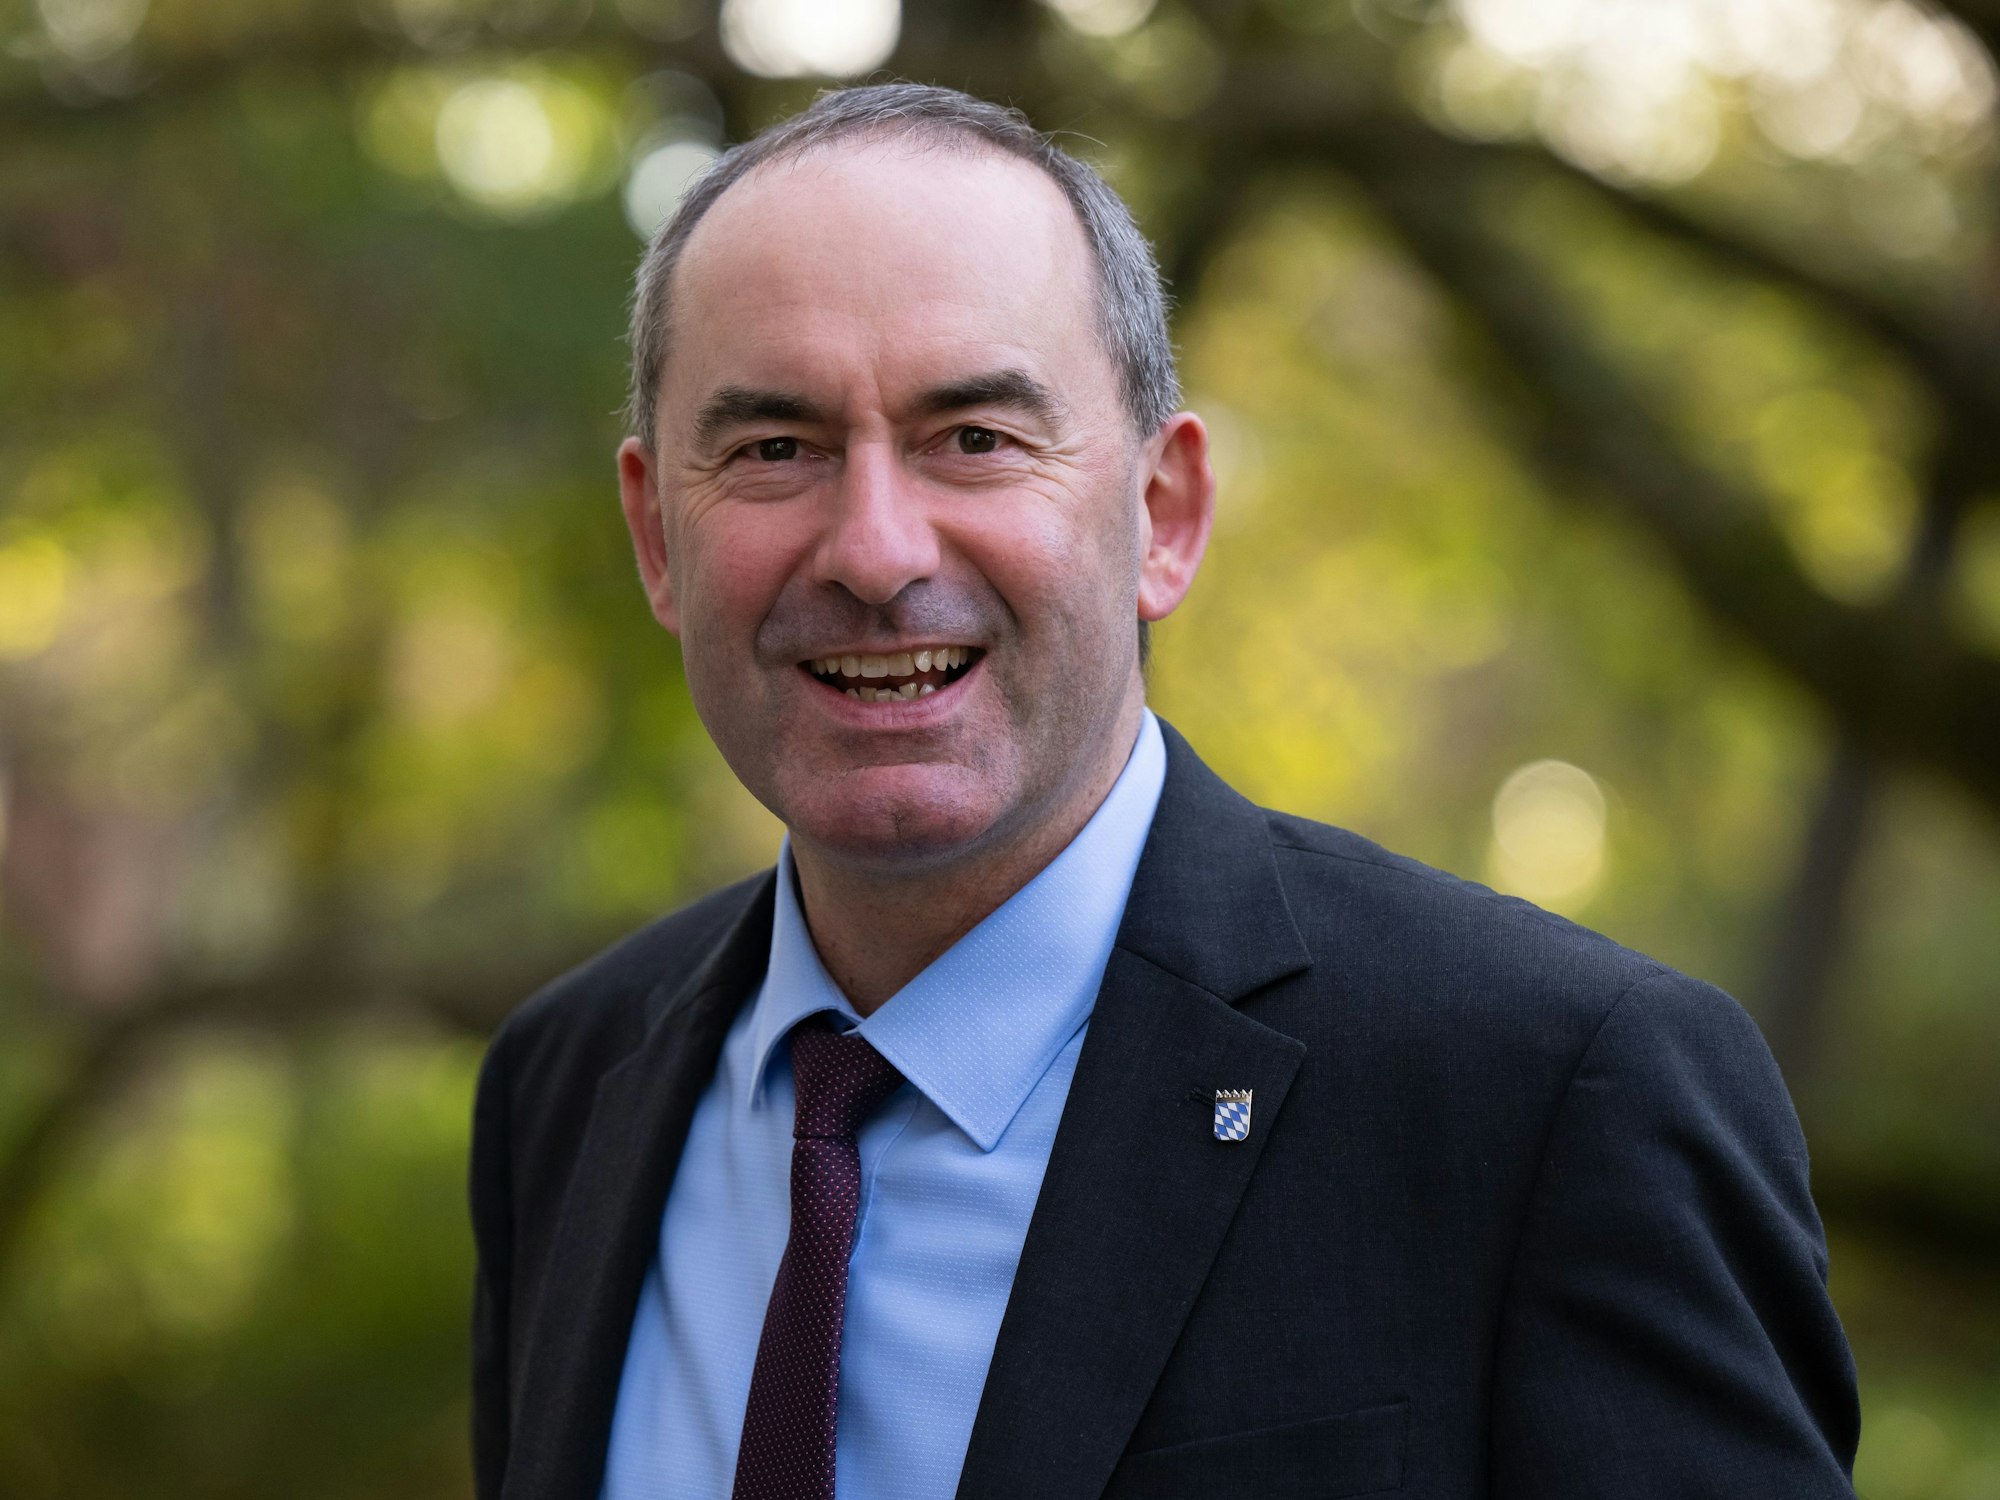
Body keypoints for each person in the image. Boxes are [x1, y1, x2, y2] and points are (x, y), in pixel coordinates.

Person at [468, 83, 1859, 1500]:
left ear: (1163, 514)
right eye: (776, 450)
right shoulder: (564, 1093)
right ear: (658, 536)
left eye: (976, 438)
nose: (876, 552)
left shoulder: (1551, 1097)